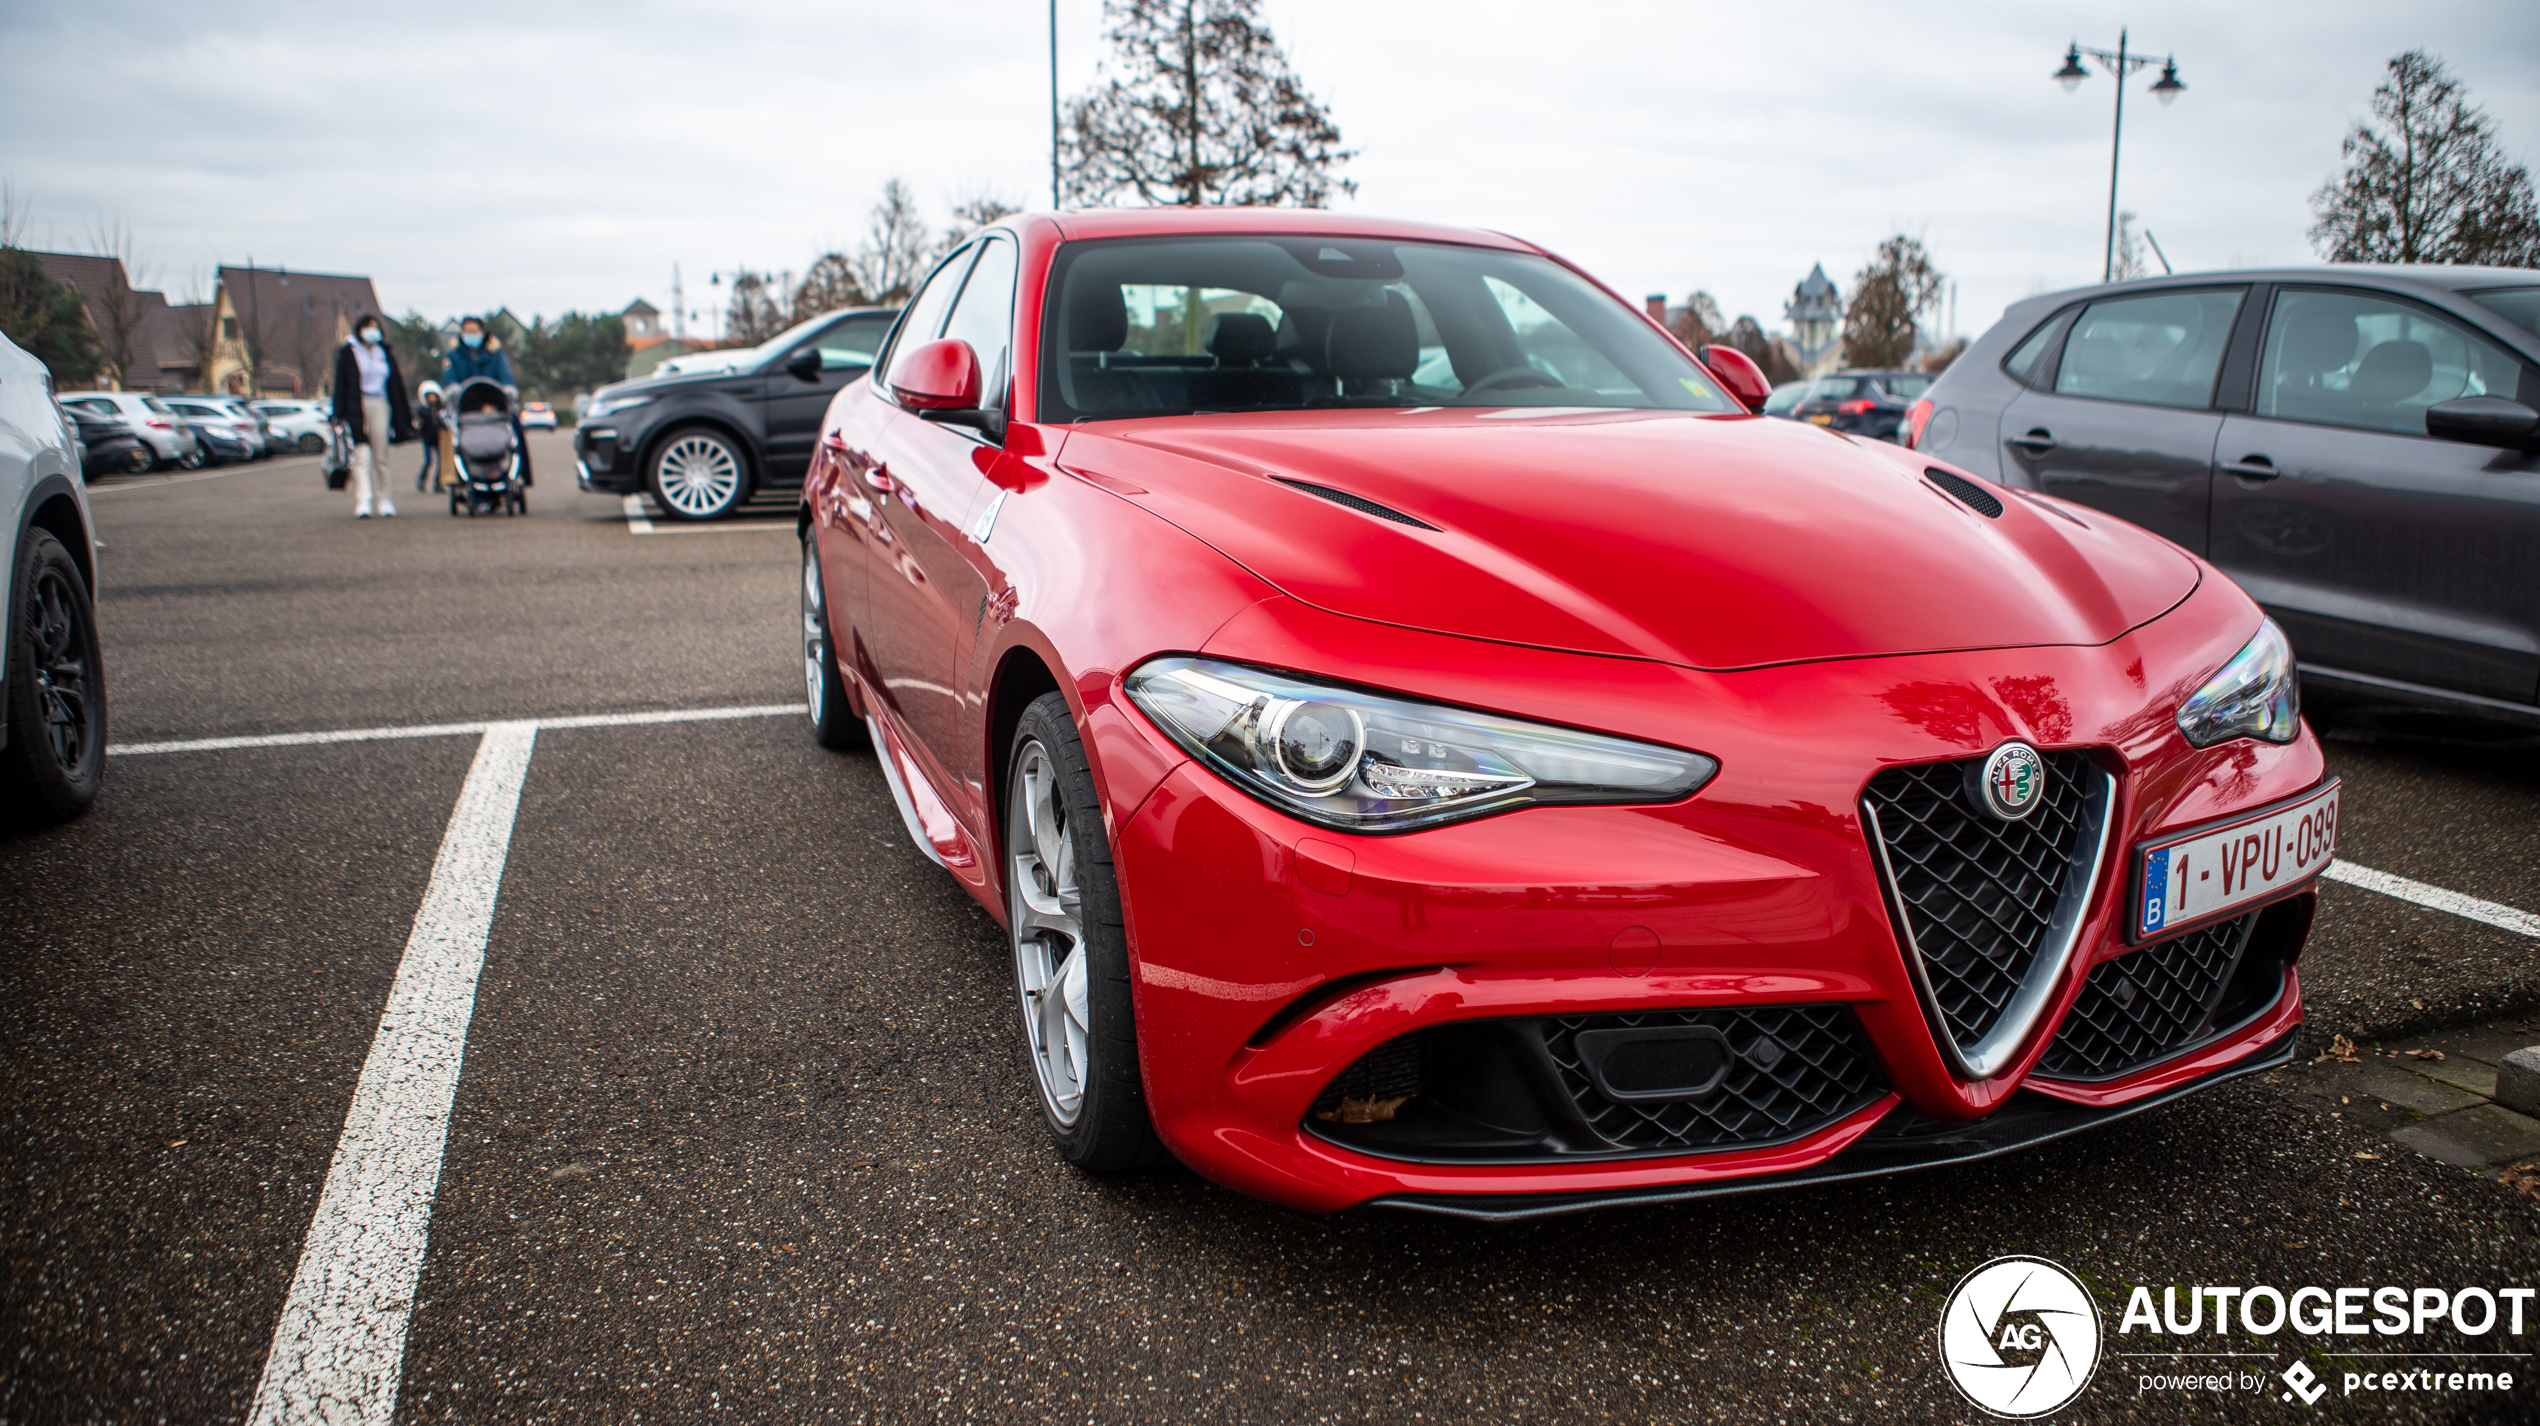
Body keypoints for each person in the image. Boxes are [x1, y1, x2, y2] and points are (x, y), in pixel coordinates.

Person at [331, 313, 414, 517]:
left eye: (375, 327)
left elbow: (397, 385)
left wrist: (405, 416)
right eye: (368, 327)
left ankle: (385, 498)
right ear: (359, 330)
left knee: (381, 455)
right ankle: (363, 500)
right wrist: (337, 414)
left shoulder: (384, 353)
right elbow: (340, 385)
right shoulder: (348, 353)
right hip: (357, 406)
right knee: (362, 456)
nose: (372, 331)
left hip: (381, 404)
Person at [440, 316, 532, 485]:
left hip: (494, 406)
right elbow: (450, 380)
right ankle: (455, 476)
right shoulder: (453, 355)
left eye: (474, 331)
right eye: (467, 331)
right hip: (466, 407)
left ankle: (521, 473)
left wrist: (506, 394)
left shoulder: (495, 353)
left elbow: (506, 378)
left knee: (516, 428)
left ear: (482, 333)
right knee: (449, 431)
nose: (470, 335)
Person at [413, 381, 446, 491]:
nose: (432, 398)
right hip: (427, 439)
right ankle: (422, 479)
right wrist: (418, 423)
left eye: (433, 396)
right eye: (429, 396)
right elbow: (417, 422)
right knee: (429, 461)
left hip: (439, 439)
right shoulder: (423, 411)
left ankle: (438, 483)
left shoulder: (442, 410)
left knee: (441, 462)